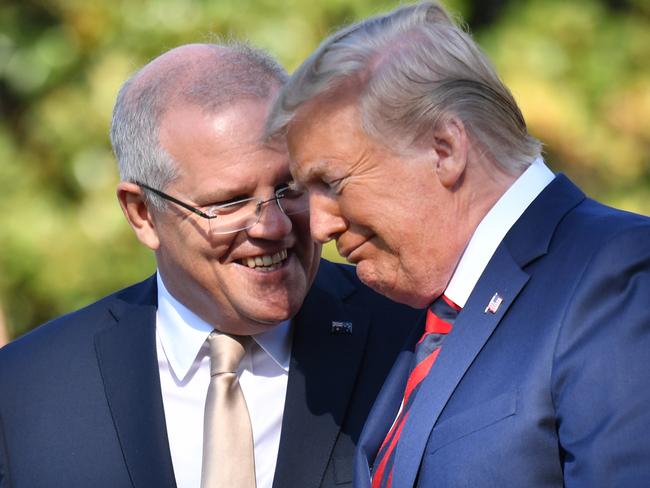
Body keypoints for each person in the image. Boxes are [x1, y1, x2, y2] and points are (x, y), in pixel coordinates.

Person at [0, 43, 421, 488]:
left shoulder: (411, 339)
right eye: (231, 202)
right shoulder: (27, 388)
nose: (274, 226)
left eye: (291, 187)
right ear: (142, 213)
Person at [265, 2, 650, 487]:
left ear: (444, 149)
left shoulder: (618, 275)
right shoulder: (425, 315)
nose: (317, 225)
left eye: (332, 183)